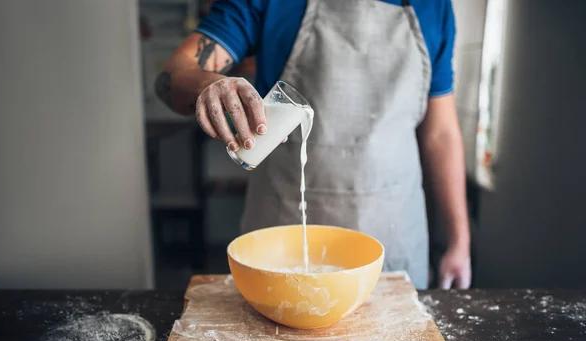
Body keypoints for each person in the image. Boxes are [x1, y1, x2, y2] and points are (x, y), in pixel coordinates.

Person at [154, 0, 471, 290]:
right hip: (284, 229)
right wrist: (209, 86)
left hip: (394, 232)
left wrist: (460, 241)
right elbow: (173, 74)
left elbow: (441, 133)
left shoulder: (434, 7)